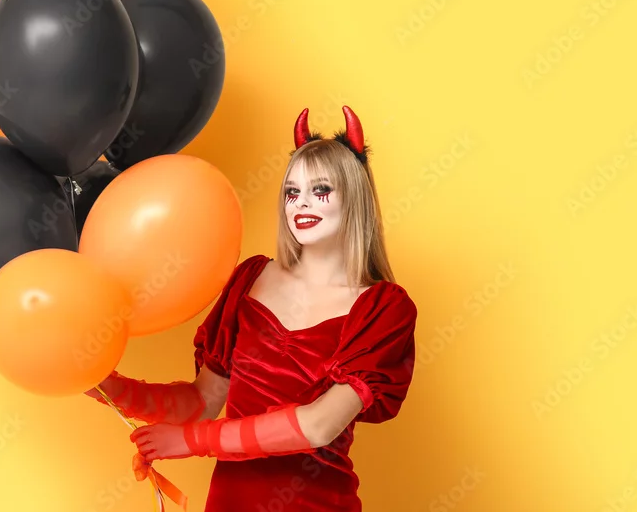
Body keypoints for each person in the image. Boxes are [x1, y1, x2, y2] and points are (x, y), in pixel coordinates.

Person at [86, 105, 418, 511]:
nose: (301, 204)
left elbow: (319, 425)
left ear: (354, 199)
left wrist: (191, 441)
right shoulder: (251, 278)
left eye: (321, 191)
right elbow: (201, 401)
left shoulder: (383, 308)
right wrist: (106, 384)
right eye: (292, 192)